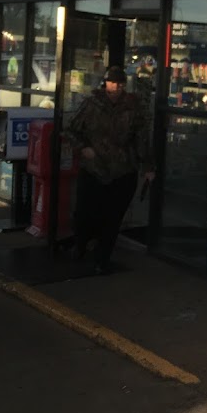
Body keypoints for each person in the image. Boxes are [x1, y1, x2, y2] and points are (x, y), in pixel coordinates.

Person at [67, 64, 155, 273]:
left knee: (113, 218)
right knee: (85, 213)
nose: (115, 87)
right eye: (111, 82)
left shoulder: (133, 108)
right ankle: (81, 244)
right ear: (105, 83)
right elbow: (71, 130)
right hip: (93, 169)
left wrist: (148, 166)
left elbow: (141, 139)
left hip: (122, 171)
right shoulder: (91, 104)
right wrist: (83, 148)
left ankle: (102, 258)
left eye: (119, 83)